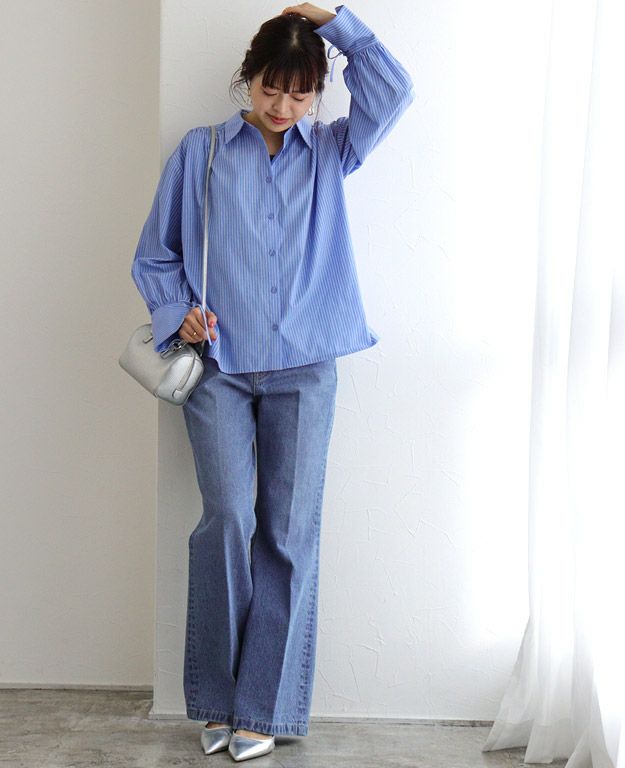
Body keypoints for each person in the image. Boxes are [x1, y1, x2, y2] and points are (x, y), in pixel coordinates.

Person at [130, 2, 414, 761]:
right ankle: (216, 700)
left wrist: (334, 20)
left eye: (300, 92)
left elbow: (396, 92)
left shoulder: (332, 152)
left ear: (317, 94)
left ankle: (263, 709)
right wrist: (178, 313)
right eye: (270, 87)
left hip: (305, 368)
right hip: (219, 371)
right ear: (247, 77)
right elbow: (155, 254)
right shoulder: (200, 153)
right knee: (226, 521)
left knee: (287, 535)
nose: (283, 105)